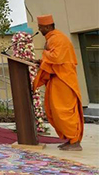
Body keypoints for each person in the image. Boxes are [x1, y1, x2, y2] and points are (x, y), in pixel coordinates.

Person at [33, 14, 84, 151]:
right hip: (57, 78)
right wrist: (41, 62)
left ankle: (75, 142)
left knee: (64, 110)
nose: (40, 30)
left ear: (48, 26)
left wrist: (44, 55)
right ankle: (70, 139)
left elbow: (56, 58)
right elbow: (54, 60)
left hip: (64, 80)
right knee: (55, 110)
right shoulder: (53, 39)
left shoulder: (58, 39)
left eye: (41, 27)